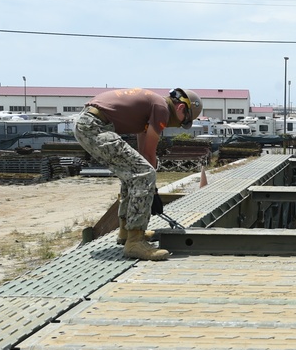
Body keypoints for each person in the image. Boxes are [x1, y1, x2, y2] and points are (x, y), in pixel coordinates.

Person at [74, 87, 202, 261]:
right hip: (94, 127)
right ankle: (135, 242)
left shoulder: (153, 105)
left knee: (134, 172)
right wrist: (152, 190)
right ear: (181, 108)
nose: (180, 125)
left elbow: (144, 152)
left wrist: (150, 188)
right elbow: (148, 157)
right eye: (184, 121)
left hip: (88, 124)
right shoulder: (162, 109)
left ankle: (126, 231)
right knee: (143, 174)